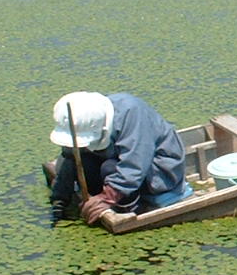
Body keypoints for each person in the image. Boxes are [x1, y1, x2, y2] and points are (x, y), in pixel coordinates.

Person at [47, 91, 191, 225]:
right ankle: (103, 196)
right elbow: (70, 156)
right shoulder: (84, 119)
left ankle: (130, 208)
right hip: (118, 158)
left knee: (109, 168)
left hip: (158, 168)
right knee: (79, 160)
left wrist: (107, 197)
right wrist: (60, 200)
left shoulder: (132, 113)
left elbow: (134, 165)